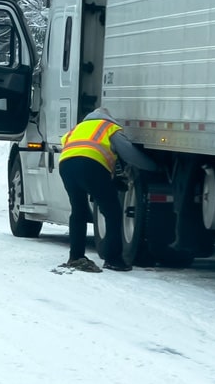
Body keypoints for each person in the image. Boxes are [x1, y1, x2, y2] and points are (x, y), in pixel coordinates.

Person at [58, 106, 157, 272]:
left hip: (66, 166)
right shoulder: (109, 128)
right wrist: (154, 167)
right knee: (113, 214)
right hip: (90, 166)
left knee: (78, 211)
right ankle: (113, 259)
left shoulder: (77, 129)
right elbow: (129, 154)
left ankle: (76, 256)